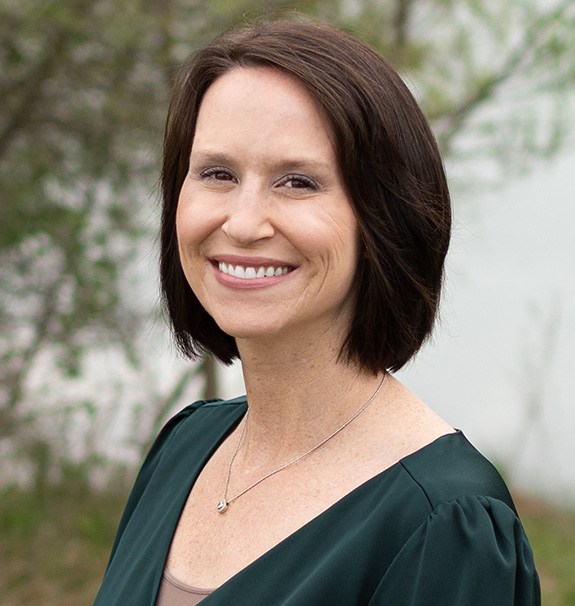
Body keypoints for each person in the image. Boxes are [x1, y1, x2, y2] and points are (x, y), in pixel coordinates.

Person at [94, 18, 540, 605]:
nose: (244, 223)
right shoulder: (185, 446)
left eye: (298, 182)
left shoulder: (443, 524)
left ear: (383, 217)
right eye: (217, 174)